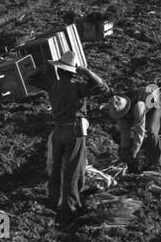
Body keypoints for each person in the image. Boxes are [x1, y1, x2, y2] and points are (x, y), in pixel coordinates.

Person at [32, 58, 111, 224]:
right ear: (73, 72)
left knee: (57, 168)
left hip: (58, 130)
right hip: (74, 130)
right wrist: (87, 71)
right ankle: (70, 206)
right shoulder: (77, 87)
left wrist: (44, 67)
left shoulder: (53, 85)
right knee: (73, 169)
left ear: (59, 71)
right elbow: (103, 88)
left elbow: (30, 79)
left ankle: (54, 199)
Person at [108, 83, 161, 174]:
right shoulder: (119, 113)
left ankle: (157, 164)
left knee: (151, 131)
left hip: (155, 100)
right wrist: (124, 152)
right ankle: (144, 155)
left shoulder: (138, 106)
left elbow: (140, 130)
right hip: (145, 104)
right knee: (133, 141)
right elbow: (124, 134)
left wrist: (134, 151)